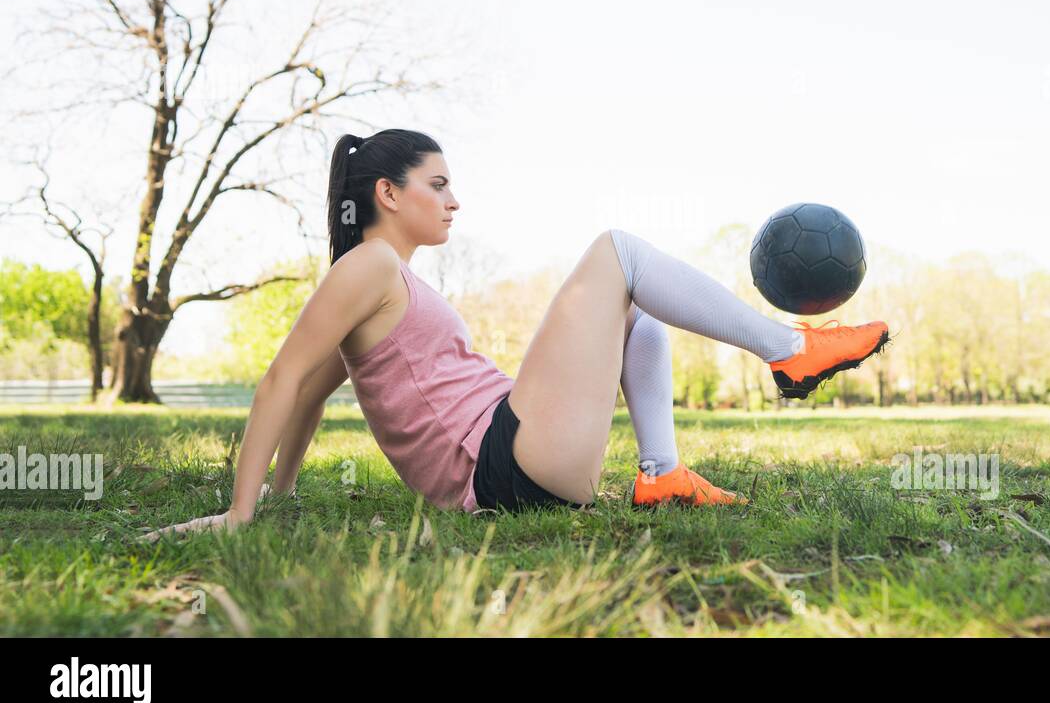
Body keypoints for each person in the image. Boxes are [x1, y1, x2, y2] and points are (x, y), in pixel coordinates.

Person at [143, 129, 888, 539]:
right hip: (502, 468)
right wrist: (243, 512)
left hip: (515, 454)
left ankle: (661, 471)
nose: (453, 200)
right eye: (437, 184)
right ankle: (790, 349)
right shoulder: (366, 265)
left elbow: (310, 392)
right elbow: (283, 379)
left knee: (637, 313)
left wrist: (281, 490)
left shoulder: (384, 281)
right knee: (618, 253)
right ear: (388, 192)